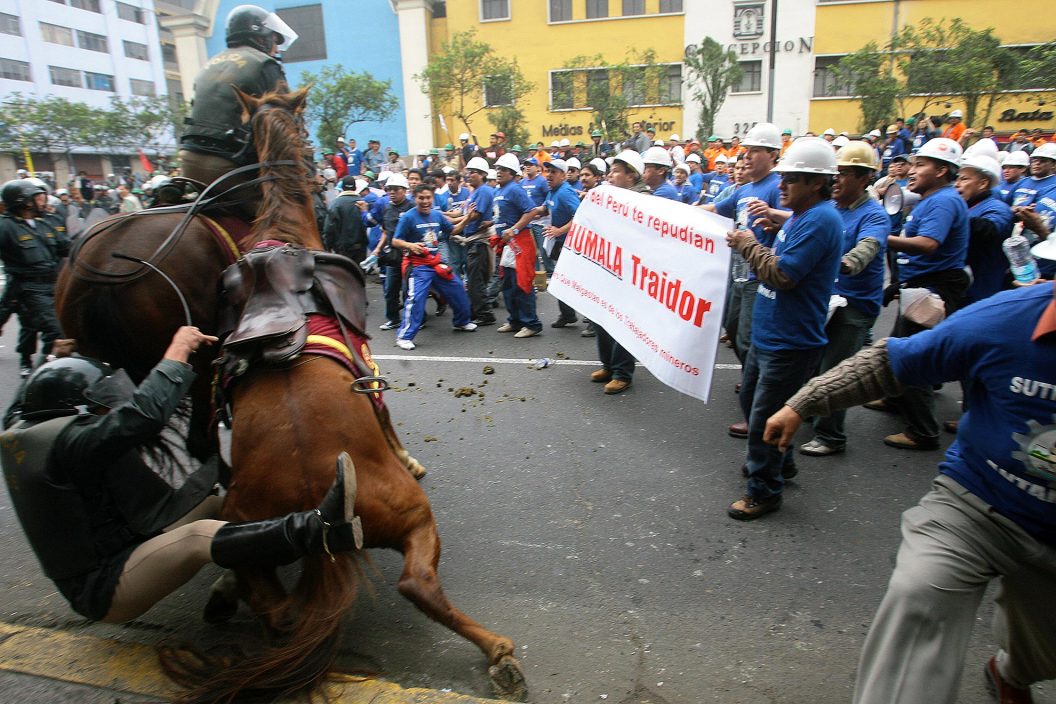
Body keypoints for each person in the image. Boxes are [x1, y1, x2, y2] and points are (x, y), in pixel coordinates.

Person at [763, 281, 1056, 704]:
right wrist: (804, 401)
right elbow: (892, 362)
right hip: (975, 506)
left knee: (1045, 651)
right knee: (920, 591)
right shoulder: (1004, 319)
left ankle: (1012, 670)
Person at [0, 327, 364, 624]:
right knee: (196, 537)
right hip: (104, 586)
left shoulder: (29, 426)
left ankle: (242, 578)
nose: (105, 410)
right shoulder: (68, 446)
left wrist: (52, 361)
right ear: (73, 410)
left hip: (129, 543)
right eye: (97, 406)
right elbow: (143, 415)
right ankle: (321, 529)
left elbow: (28, 400)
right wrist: (178, 348)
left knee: (220, 505)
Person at [724, 138, 842, 519]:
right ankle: (780, 462)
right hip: (770, 335)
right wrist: (772, 227)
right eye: (784, 178)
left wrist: (747, 243)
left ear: (817, 184)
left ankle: (764, 490)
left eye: (792, 179)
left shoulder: (822, 219)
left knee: (762, 419)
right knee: (753, 404)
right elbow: (785, 247)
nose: (783, 185)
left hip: (790, 342)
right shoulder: (804, 217)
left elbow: (782, 274)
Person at [868, 138, 969, 451]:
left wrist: (882, 238)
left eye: (921, 165)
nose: (912, 171)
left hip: (933, 289)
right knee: (900, 347)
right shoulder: (933, 199)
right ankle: (897, 399)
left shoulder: (943, 202)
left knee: (915, 356)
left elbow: (928, 244)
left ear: (941, 171)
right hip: (920, 288)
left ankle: (923, 431)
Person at [798, 142, 889, 457]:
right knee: (812, 363)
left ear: (864, 179)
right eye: (834, 174)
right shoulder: (832, 210)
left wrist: (835, 260)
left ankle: (831, 436)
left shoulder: (874, 215)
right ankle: (809, 411)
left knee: (835, 370)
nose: (836, 180)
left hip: (854, 305)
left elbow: (865, 251)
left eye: (845, 174)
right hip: (826, 300)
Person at [178, 4, 297, 211]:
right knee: (284, 218)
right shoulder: (266, 64)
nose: (276, 48)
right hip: (227, 167)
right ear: (261, 37)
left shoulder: (210, 64)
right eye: (274, 40)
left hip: (187, 162)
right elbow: (285, 128)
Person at [589, 151, 648, 395]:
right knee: (601, 317)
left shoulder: (644, 200)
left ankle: (623, 373)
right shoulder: (612, 196)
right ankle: (609, 365)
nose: (610, 176)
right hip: (609, 266)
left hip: (630, 270)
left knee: (622, 321)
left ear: (631, 175)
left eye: (615, 171)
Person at [391, 184, 477, 350]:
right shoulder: (408, 217)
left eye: (428, 197)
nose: (425, 201)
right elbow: (396, 240)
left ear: (433, 198)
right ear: (414, 198)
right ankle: (404, 336)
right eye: (421, 198)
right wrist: (410, 245)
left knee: (458, 288)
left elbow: (452, 230)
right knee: (416, 298)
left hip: (435, 262)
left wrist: (468, 219)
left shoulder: (437, 215)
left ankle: (461, 322)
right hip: (417, 266)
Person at [0, 180, 69, 375]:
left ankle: (49, 370)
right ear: (24, 202)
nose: (43, 201)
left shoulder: (44, 224)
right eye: (37, 198)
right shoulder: (5, 227)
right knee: (55, 333)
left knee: (59, 329)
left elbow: (67, 247)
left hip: (53, 286)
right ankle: (38, 378)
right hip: (29, 289)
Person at [490, 154, 542, 339]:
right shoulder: (499, 191)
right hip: (507, 244)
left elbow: (532, 211)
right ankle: (515, 320)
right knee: (508, 284)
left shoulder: (515, 190)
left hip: (520, 241)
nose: (498, 172)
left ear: (512, 173)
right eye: (497, 169)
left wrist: (514, 229)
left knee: (522, 283)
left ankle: (532, 323)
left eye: (503, 169)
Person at [537, 159, 582, 331]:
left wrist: (559, 231)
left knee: (579, 283)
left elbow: (579, 216)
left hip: (572, 245)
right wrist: (530, 213)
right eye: (547, 171)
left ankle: (594, 323)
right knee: (561, 281)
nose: (548, 175)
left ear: (563, 175)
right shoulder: (552, 191)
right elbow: (545, 208)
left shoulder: (565, 192)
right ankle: (567, 315)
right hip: (559, 244)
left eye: (553, 172)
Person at [451, 157, 496, 325]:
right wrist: (444, 217)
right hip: (472, 241)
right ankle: (476, 310)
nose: (469, 175)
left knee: (475, 278)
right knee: (474, 278)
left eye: (474, 172)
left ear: (483, 174)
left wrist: (459, 222)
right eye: (468, 172)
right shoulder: (473, 193)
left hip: (479, 241)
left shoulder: (483, 191)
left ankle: (485, 313)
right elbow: (463, 214)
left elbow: (474, 215)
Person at [323, 176, 369, 264]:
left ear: (342, 188)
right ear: (355, 188)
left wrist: (328, 248)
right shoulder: (362, 203)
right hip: (361, 249)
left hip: (342, 251)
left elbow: (329, 229)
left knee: (344, 276)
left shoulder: (335, 204)